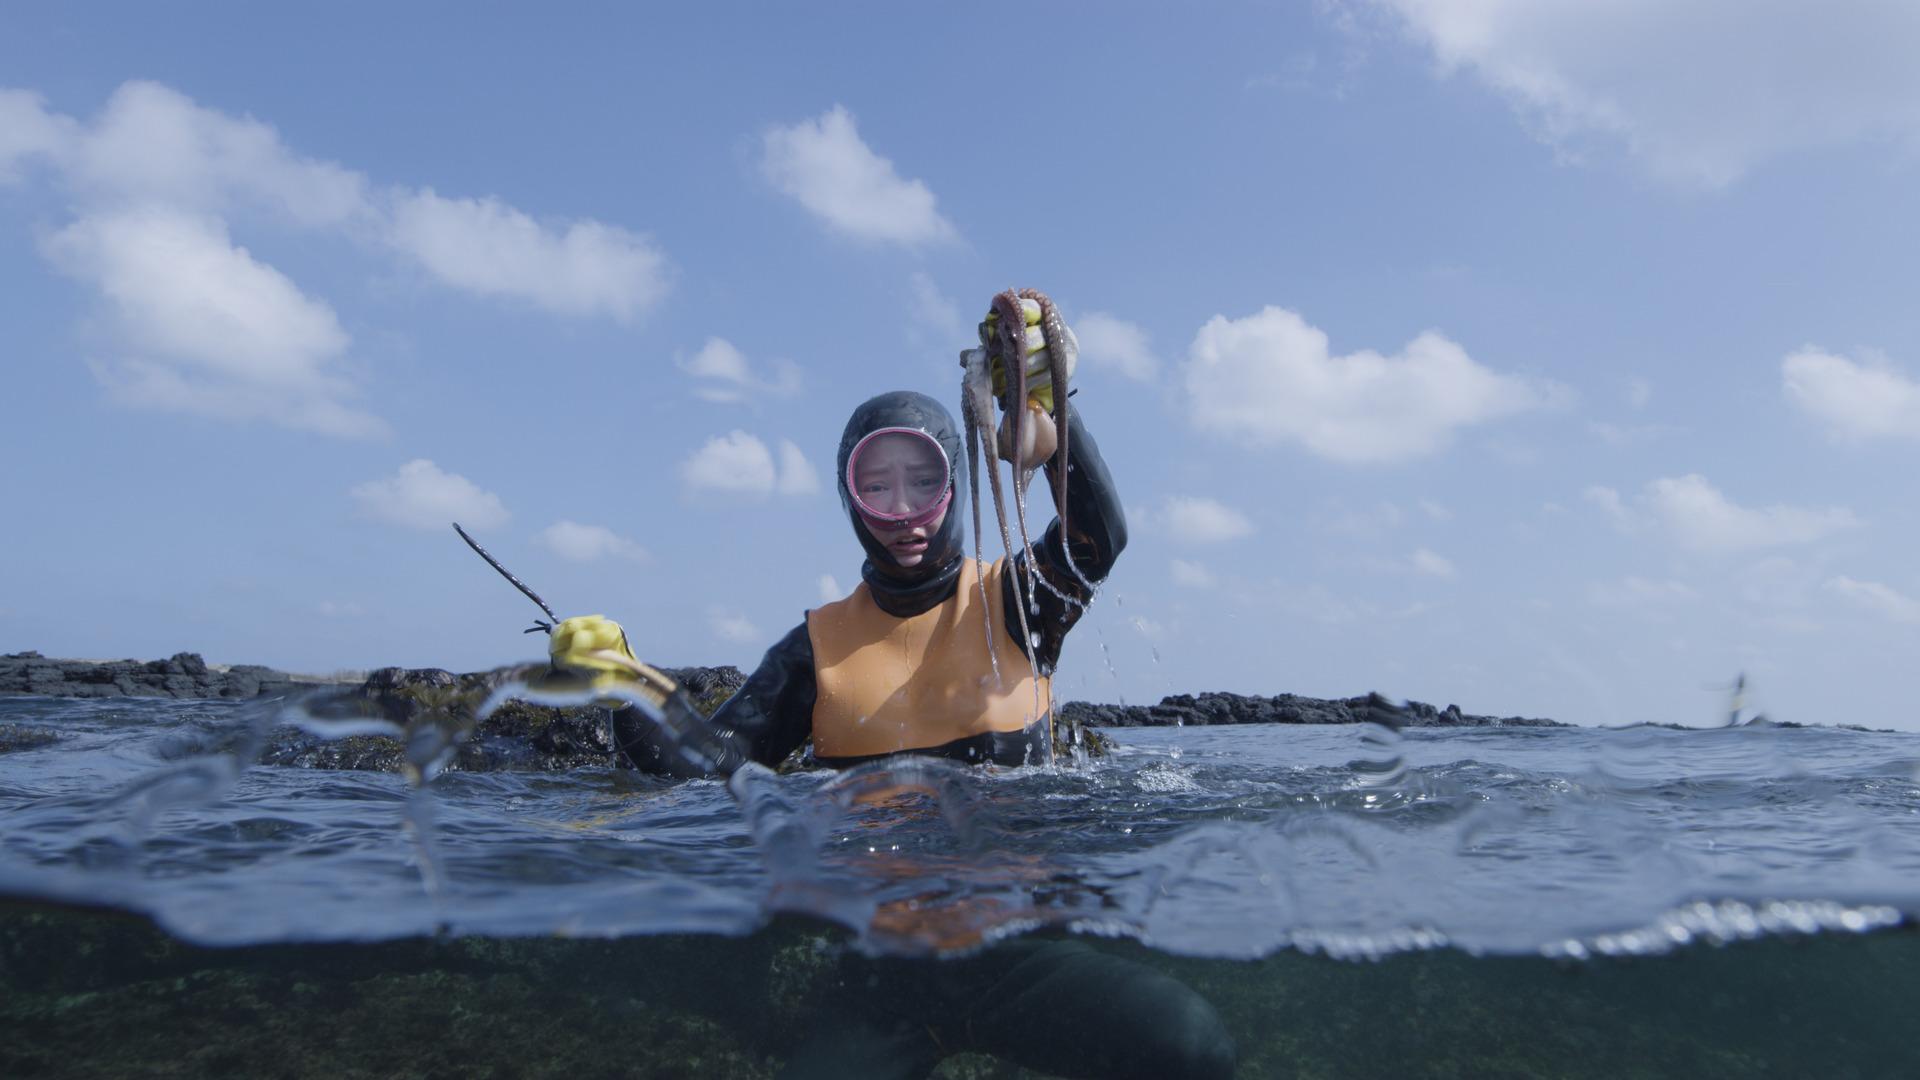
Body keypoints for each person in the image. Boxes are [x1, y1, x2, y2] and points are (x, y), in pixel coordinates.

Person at [544, 300, 1236, 1079]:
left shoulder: (1016, 600)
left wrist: (1048, 417)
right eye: (877, 487)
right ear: (849, 497)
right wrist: (628, 688)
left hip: (1023, 954)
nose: (903, 512)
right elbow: (711, 770)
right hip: (881, 976)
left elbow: (1097, 538)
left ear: (956, 479)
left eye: (923, 481)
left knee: (1189, 1041)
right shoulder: (815, 647)